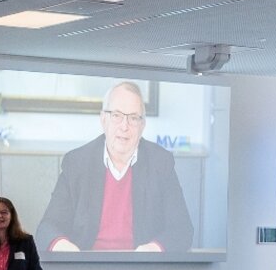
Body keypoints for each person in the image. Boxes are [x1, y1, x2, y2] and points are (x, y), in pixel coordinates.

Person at [35, 81, 194, 252]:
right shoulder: (77, 163)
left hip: (141, 268)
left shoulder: (160, 162)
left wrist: (151, 250)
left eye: (133, 118)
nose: (124, 126)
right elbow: (47, 228)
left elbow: (182, 230)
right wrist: (67, 250)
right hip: (87, 266)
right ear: (103, 119)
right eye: (117, 115)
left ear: (142, 125)